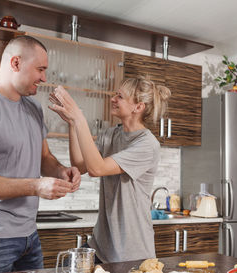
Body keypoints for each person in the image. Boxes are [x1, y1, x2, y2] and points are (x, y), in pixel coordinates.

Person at [0, 35, 81, 273]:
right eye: (40, 69)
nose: (44, 78)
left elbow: (44, 158)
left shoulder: (34, 108)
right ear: (15, 63)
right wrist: (36, 187)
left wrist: (61, 171)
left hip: (28, 235)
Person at [49, 76, 171, 263]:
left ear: (138, 107)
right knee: (68, 264)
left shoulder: (147, 145)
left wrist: (80, 118)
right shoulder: (110, 134)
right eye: (115, 94)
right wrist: (73, 124)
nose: (113, 99)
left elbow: (97, 169)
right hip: (101, 246)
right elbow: (81, 165)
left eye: (120, 96)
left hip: (131, 251)